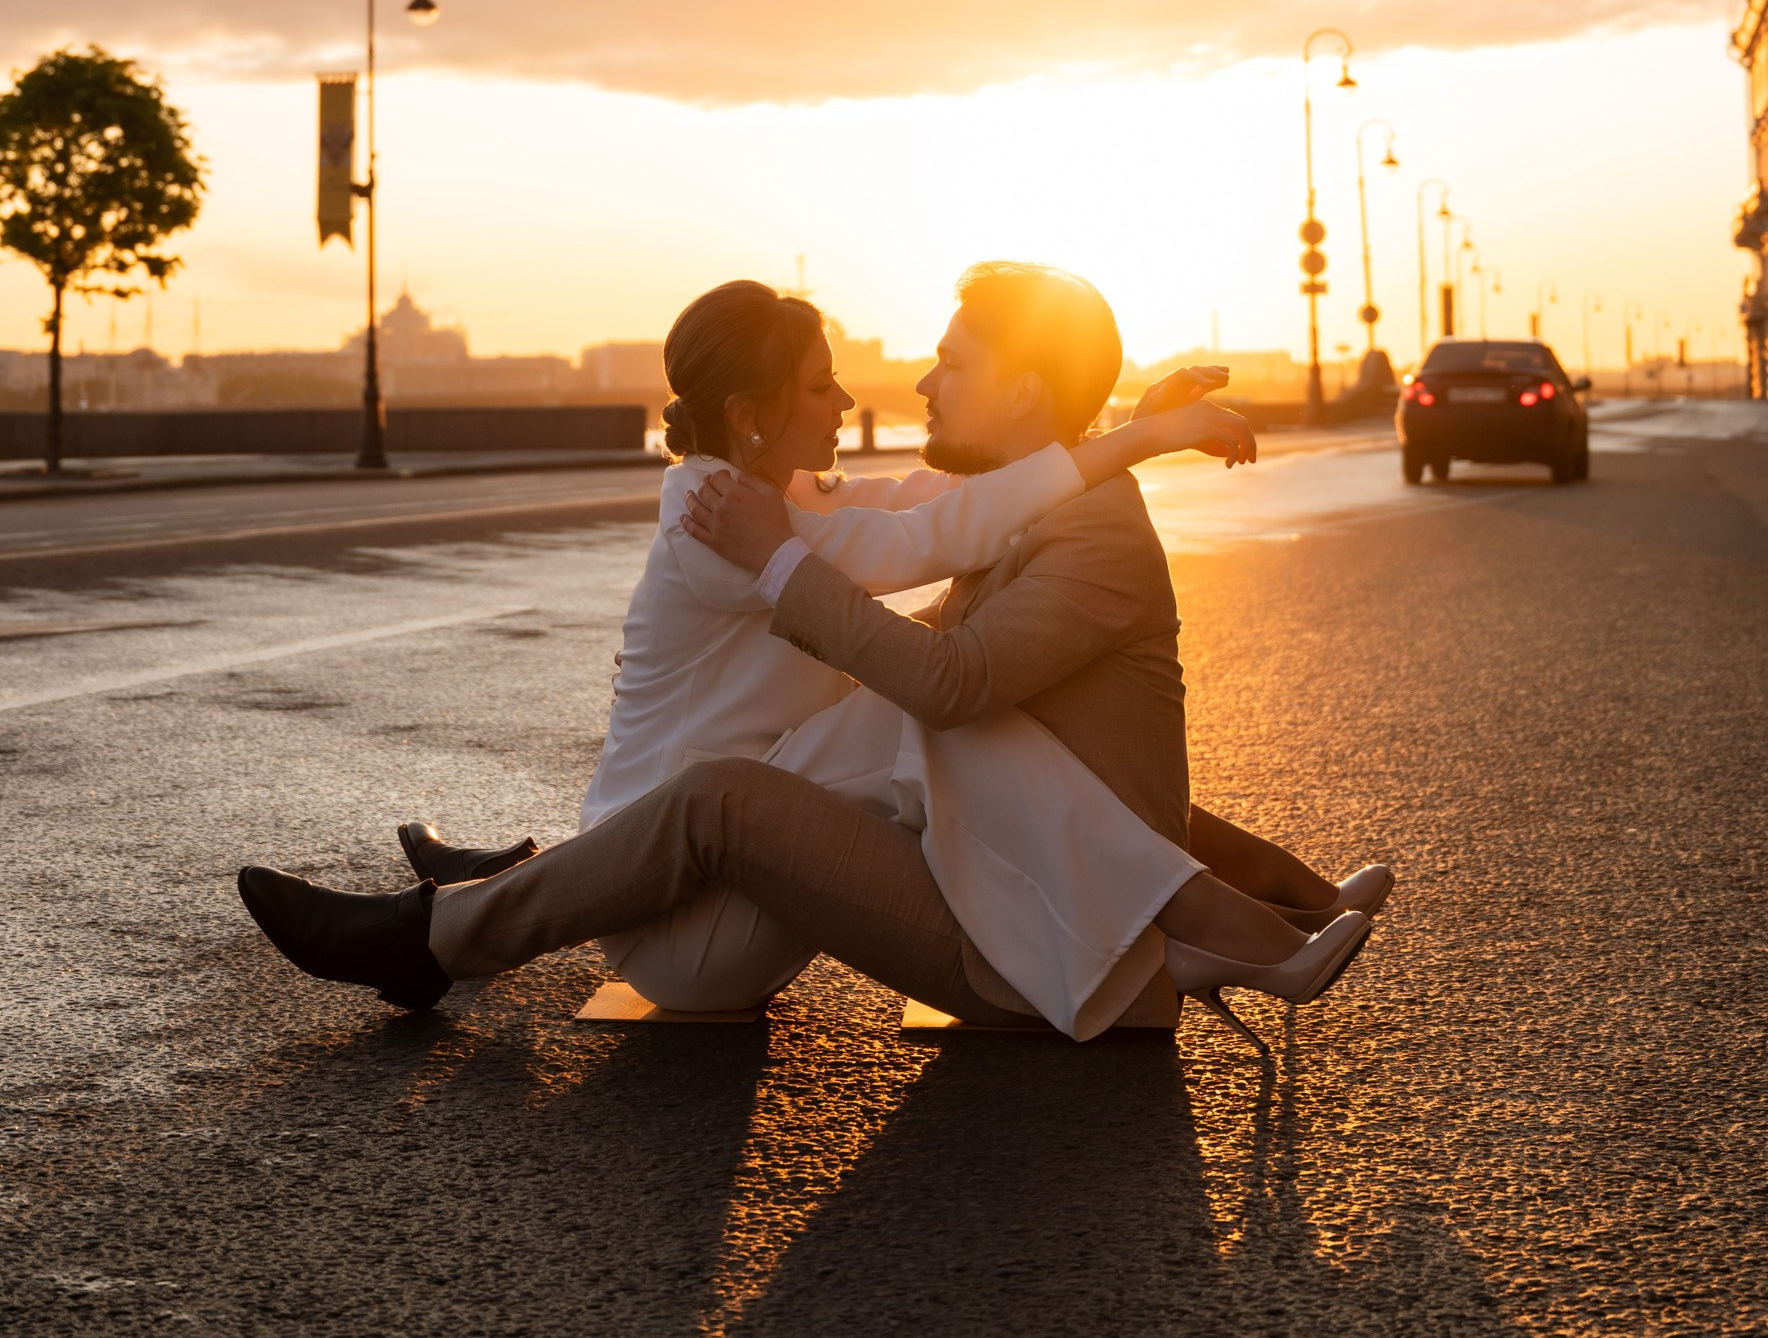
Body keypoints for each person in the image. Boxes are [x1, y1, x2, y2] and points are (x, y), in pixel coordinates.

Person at [239, 269, 1381, 1046]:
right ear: (751, 413)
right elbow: (935, 529)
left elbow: (944, 526)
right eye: (822, 384)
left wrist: (1121, 433)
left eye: (946, 363)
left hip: (854, 905)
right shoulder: (728, 520)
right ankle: (460, 920)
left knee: (918, 710)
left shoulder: (801, 509)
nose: (881, 391)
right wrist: (1128, 435)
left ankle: (451, 920)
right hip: (698, 911)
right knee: (904, 715)